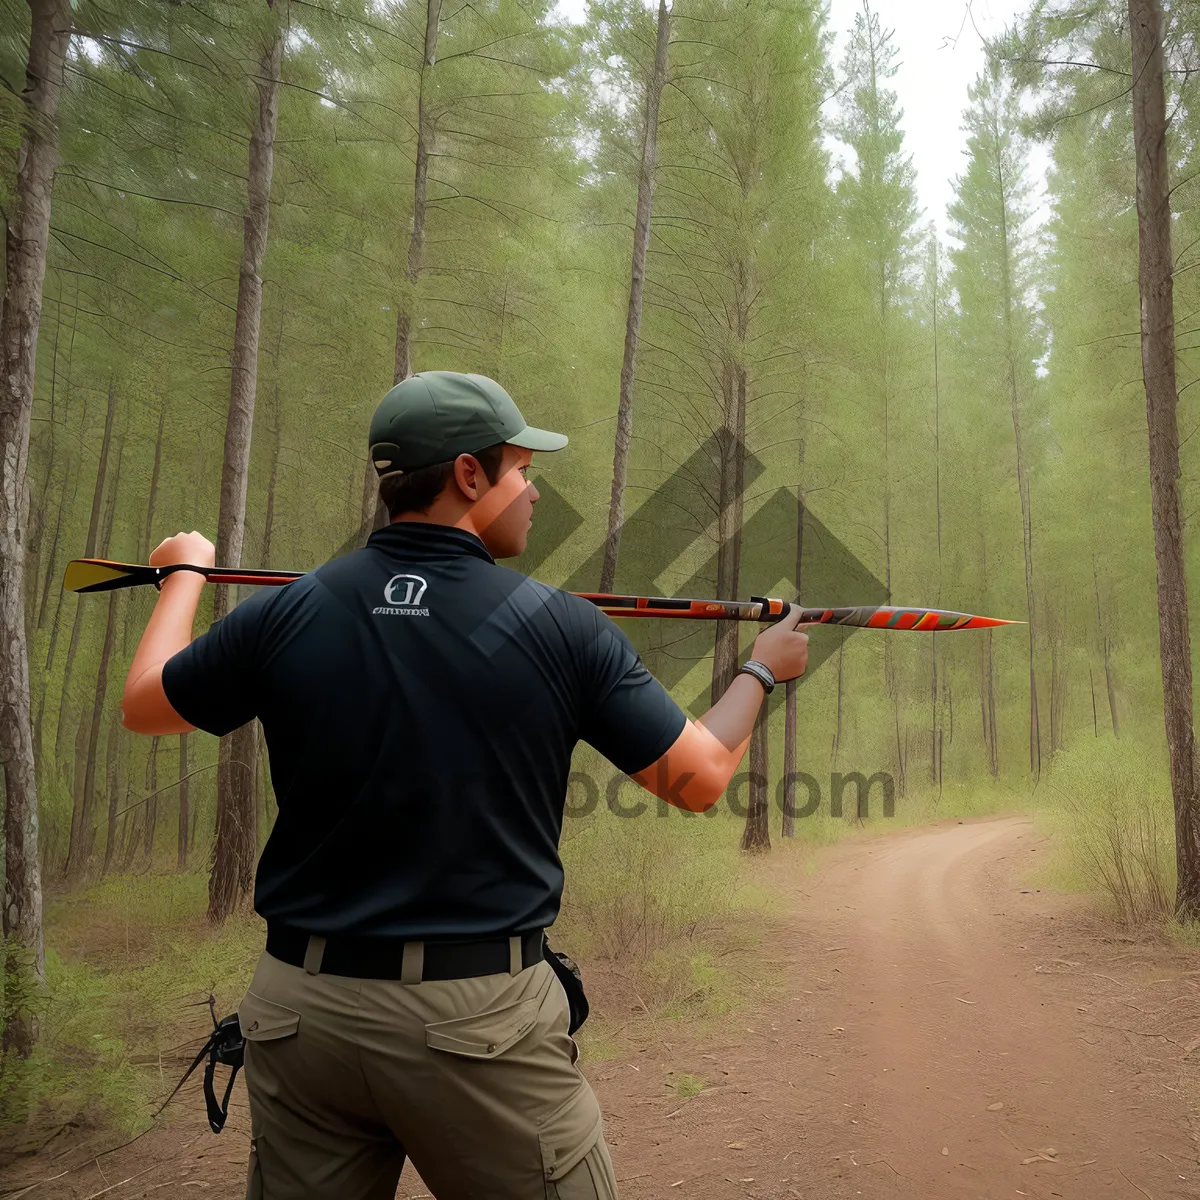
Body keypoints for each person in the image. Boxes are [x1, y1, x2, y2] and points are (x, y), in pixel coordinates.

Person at [121, 371, 811, 1200]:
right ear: (469, 477)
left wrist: (183, 577)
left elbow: (146, 705)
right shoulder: (557, 625)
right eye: (522, 469)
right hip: (475, 1025)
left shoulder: (290, 612)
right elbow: (696, 779)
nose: (534, 492)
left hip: (301, 1018)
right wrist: (761, 673)